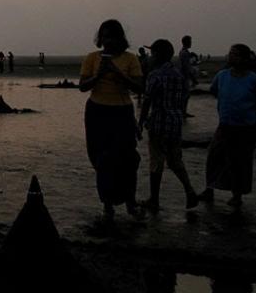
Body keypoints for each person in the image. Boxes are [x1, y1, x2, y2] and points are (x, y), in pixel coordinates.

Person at [79, 19, 144, 220]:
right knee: (102, 159)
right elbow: (82, 86)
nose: (109, 41)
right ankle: (107, 204)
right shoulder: (92, 58)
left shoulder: (130, 59)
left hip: (121, 110)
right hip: (97, 111)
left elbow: (139, 87)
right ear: (101, 38)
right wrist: (99, 75)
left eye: (113, 36)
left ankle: (130, 201)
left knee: (128, 158)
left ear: (120, 38)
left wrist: (116, 72)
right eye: (105, 36)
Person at [137, 39, 198, 212]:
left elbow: (148, 101)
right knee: (175, 160)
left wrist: (141, 123)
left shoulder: (155, 75)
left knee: (156, 161)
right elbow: (183, 97)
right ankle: (189, 190)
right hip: (175, 122)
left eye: (152, 54)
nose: (150, 57)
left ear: (157, 55)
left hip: (159, 122)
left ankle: (154, 200)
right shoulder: (178, 75)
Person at [197, 44, 256, 208]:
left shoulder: (253, 79)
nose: (231, 57)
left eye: (236, 54)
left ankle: (237, 195)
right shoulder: (222, 76)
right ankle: (209, 189)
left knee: (240, 161)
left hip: (246, 127)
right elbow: (215, 91)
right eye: (230, 54)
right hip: (225, 125)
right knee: (214, 157)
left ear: (245, 58)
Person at [179, 36, 198, 117]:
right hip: (184, 76)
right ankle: (183, 112)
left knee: (185, 95)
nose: (191, 43)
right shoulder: (184, 53)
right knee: (185, 95)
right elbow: (186, 67)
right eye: (190, 41)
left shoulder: (183, 52)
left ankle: (183, 111)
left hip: (184, 76)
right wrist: (193, 78)